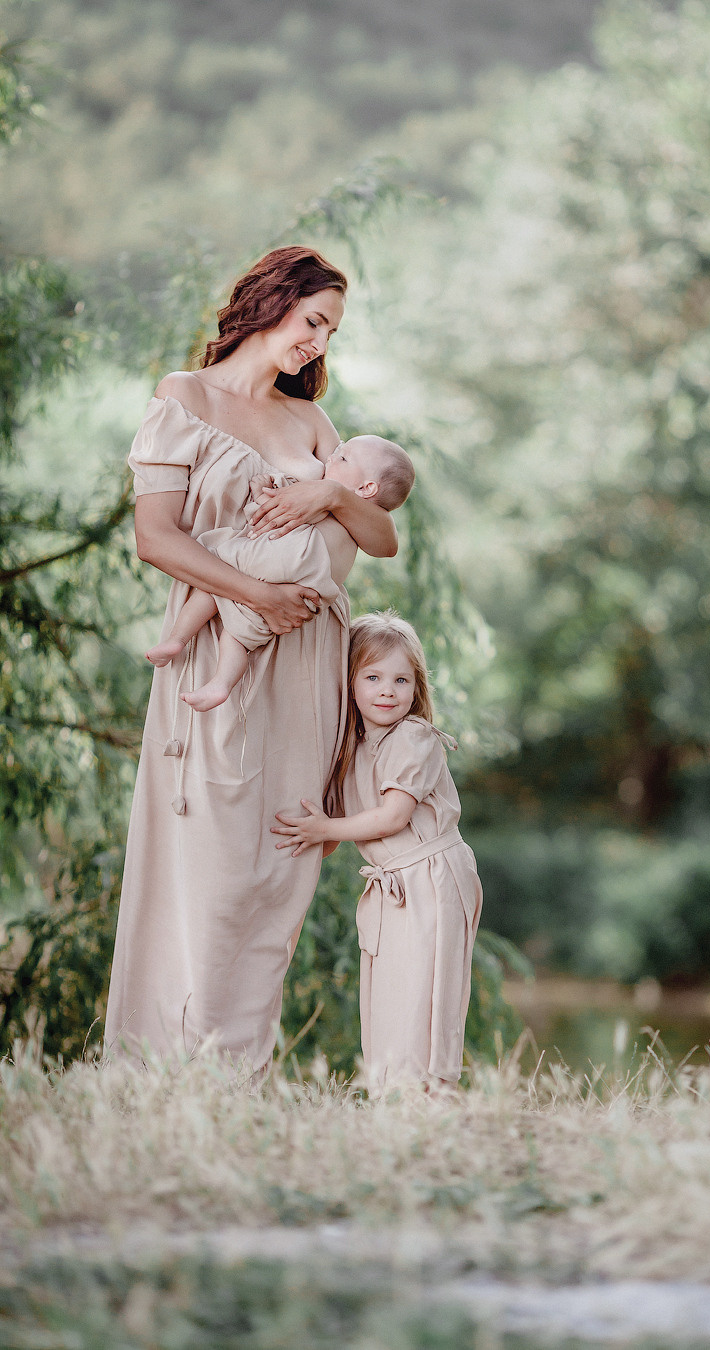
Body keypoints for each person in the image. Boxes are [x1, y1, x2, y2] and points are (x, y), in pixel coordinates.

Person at [105, 246, 398, 1076]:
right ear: (274, 301)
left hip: (305, 662)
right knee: (210, 858)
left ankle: (239, 1066)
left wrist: (332, 493)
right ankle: (167, 1058)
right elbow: (155, 536)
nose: (318, 343)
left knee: (275, 867)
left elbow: (382, 538)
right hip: (218, 653)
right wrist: (255, 595)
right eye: (313, 321)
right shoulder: (182, 399)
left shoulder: (310, 424)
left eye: (331, 332)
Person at [271, 611, 483, 1090]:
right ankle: (392, 1088)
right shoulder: (354, 747)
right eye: (372, 677)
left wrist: (325, 827)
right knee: (391, 988)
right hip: (394, 882)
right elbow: (334, 836)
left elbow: (392, 817)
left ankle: (428, 1093)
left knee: (425, 988)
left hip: (431, 876)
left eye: (401, 679)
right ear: (349, 683)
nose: (387, 690)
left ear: (416, 687)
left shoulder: (414, 738)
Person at [145, 435, 415, 712]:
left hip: (289, 559)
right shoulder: (353, 518)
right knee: (238, 635)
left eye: (342, 458)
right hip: (309, 594)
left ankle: (176, 640)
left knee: (213, 566)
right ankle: (221, 683)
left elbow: (277, 514)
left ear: (367, 487)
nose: (331, 458)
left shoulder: (326, 498)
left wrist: (262, 494)